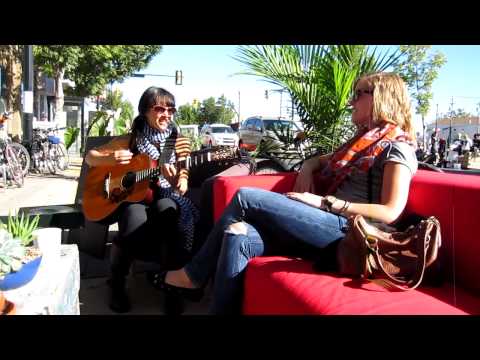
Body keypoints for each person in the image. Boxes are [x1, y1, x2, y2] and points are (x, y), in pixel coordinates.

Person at [148, 72, 419, 314]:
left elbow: (390, 211)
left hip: (351, 233)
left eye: (358, 94)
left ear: (382, 98)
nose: (351, 101)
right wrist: (309, 166)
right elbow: (320, 160)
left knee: (245, 197)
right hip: (325, 226)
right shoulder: (361, 143)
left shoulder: (396, 147)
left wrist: (326, 202)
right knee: (237, 234)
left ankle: (193, 276)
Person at [85, 86, 199, 313]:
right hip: (133, 200)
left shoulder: (179, 142)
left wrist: (180, 181)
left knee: (170, 212)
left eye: (171, 109)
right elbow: (90, 157)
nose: (167, 114)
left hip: (164, 196)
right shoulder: (130, 140)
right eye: (160, 108)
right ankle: (117, 283)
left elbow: (184, 175)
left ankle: (172, 287)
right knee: (131, 220)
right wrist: (111, 158)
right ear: (145, 111)